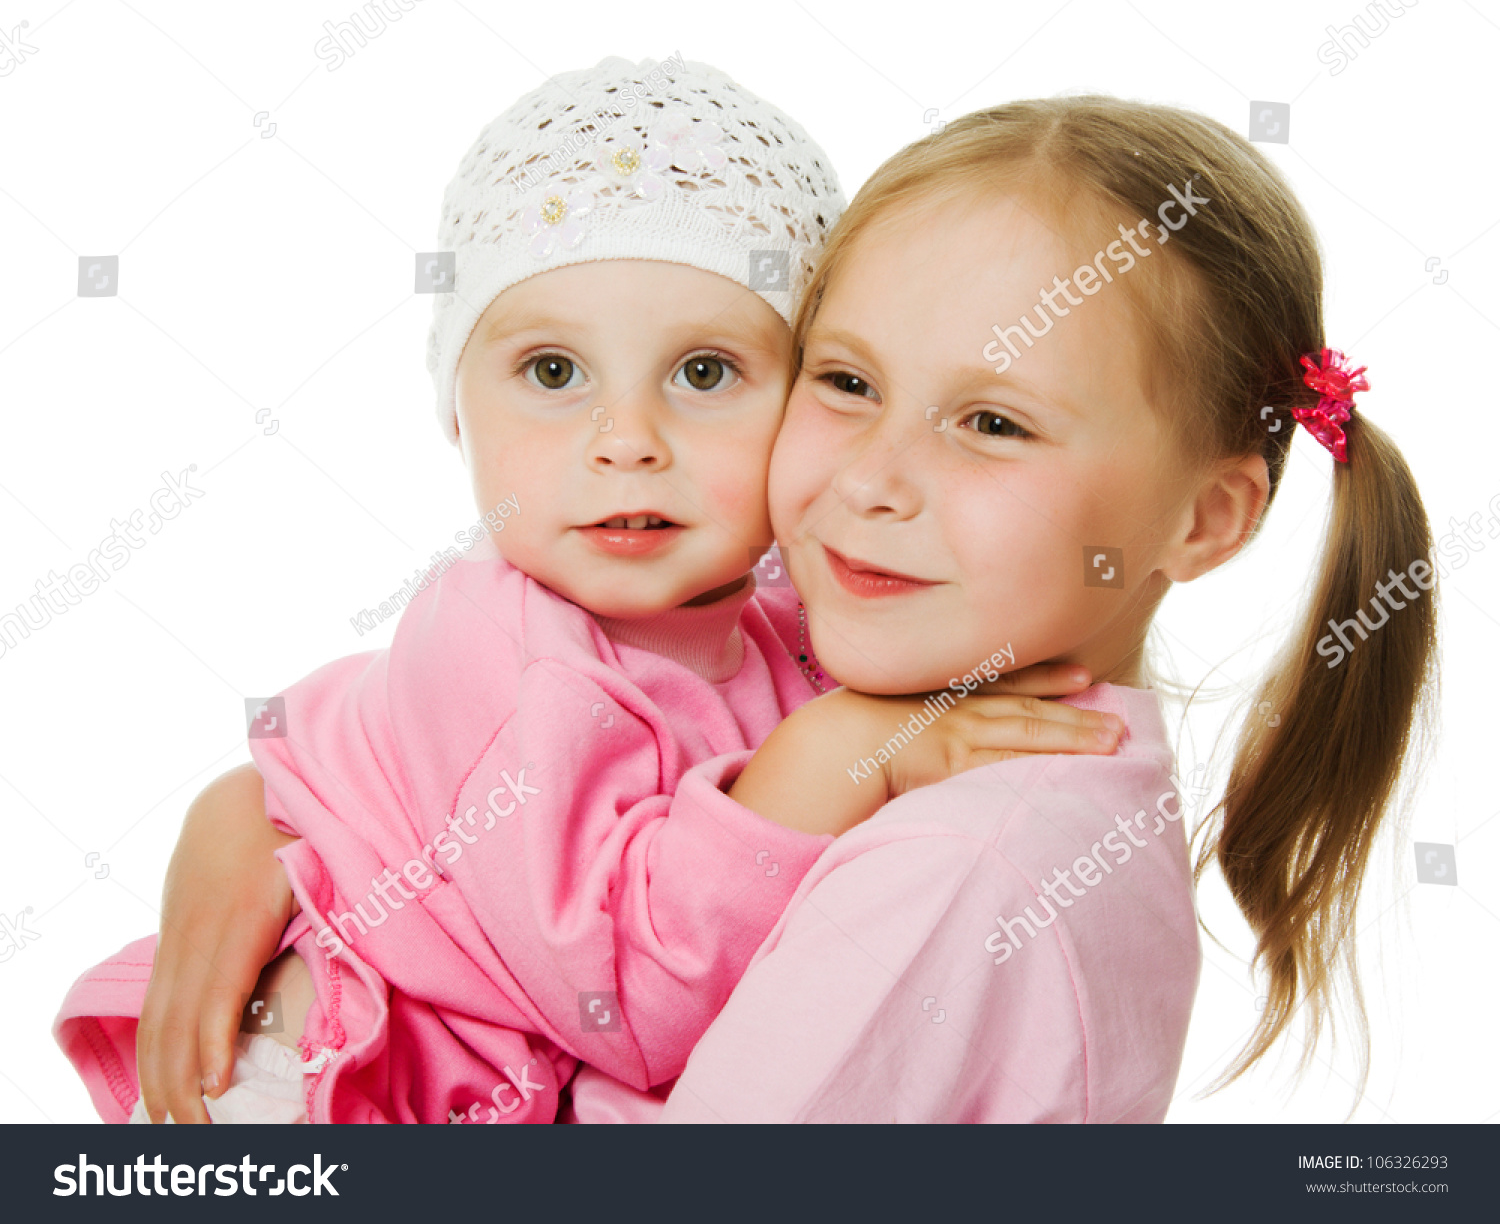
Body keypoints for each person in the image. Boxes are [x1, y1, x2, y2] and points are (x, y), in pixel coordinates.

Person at [53, 59, 1118, 1125]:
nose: (626, 445)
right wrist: (844, 752)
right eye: (554, 373)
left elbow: (333, 724)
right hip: (317, 1095)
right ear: (456, 410)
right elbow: (627, 1000)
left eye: (704, 373)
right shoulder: (496, 641)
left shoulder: (799, 619)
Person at [567, 95, 1439, 1122]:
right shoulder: (835, 682)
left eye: (992, 422)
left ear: (1203, 517)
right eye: (846, 380)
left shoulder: (958, 871)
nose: (872, 481)